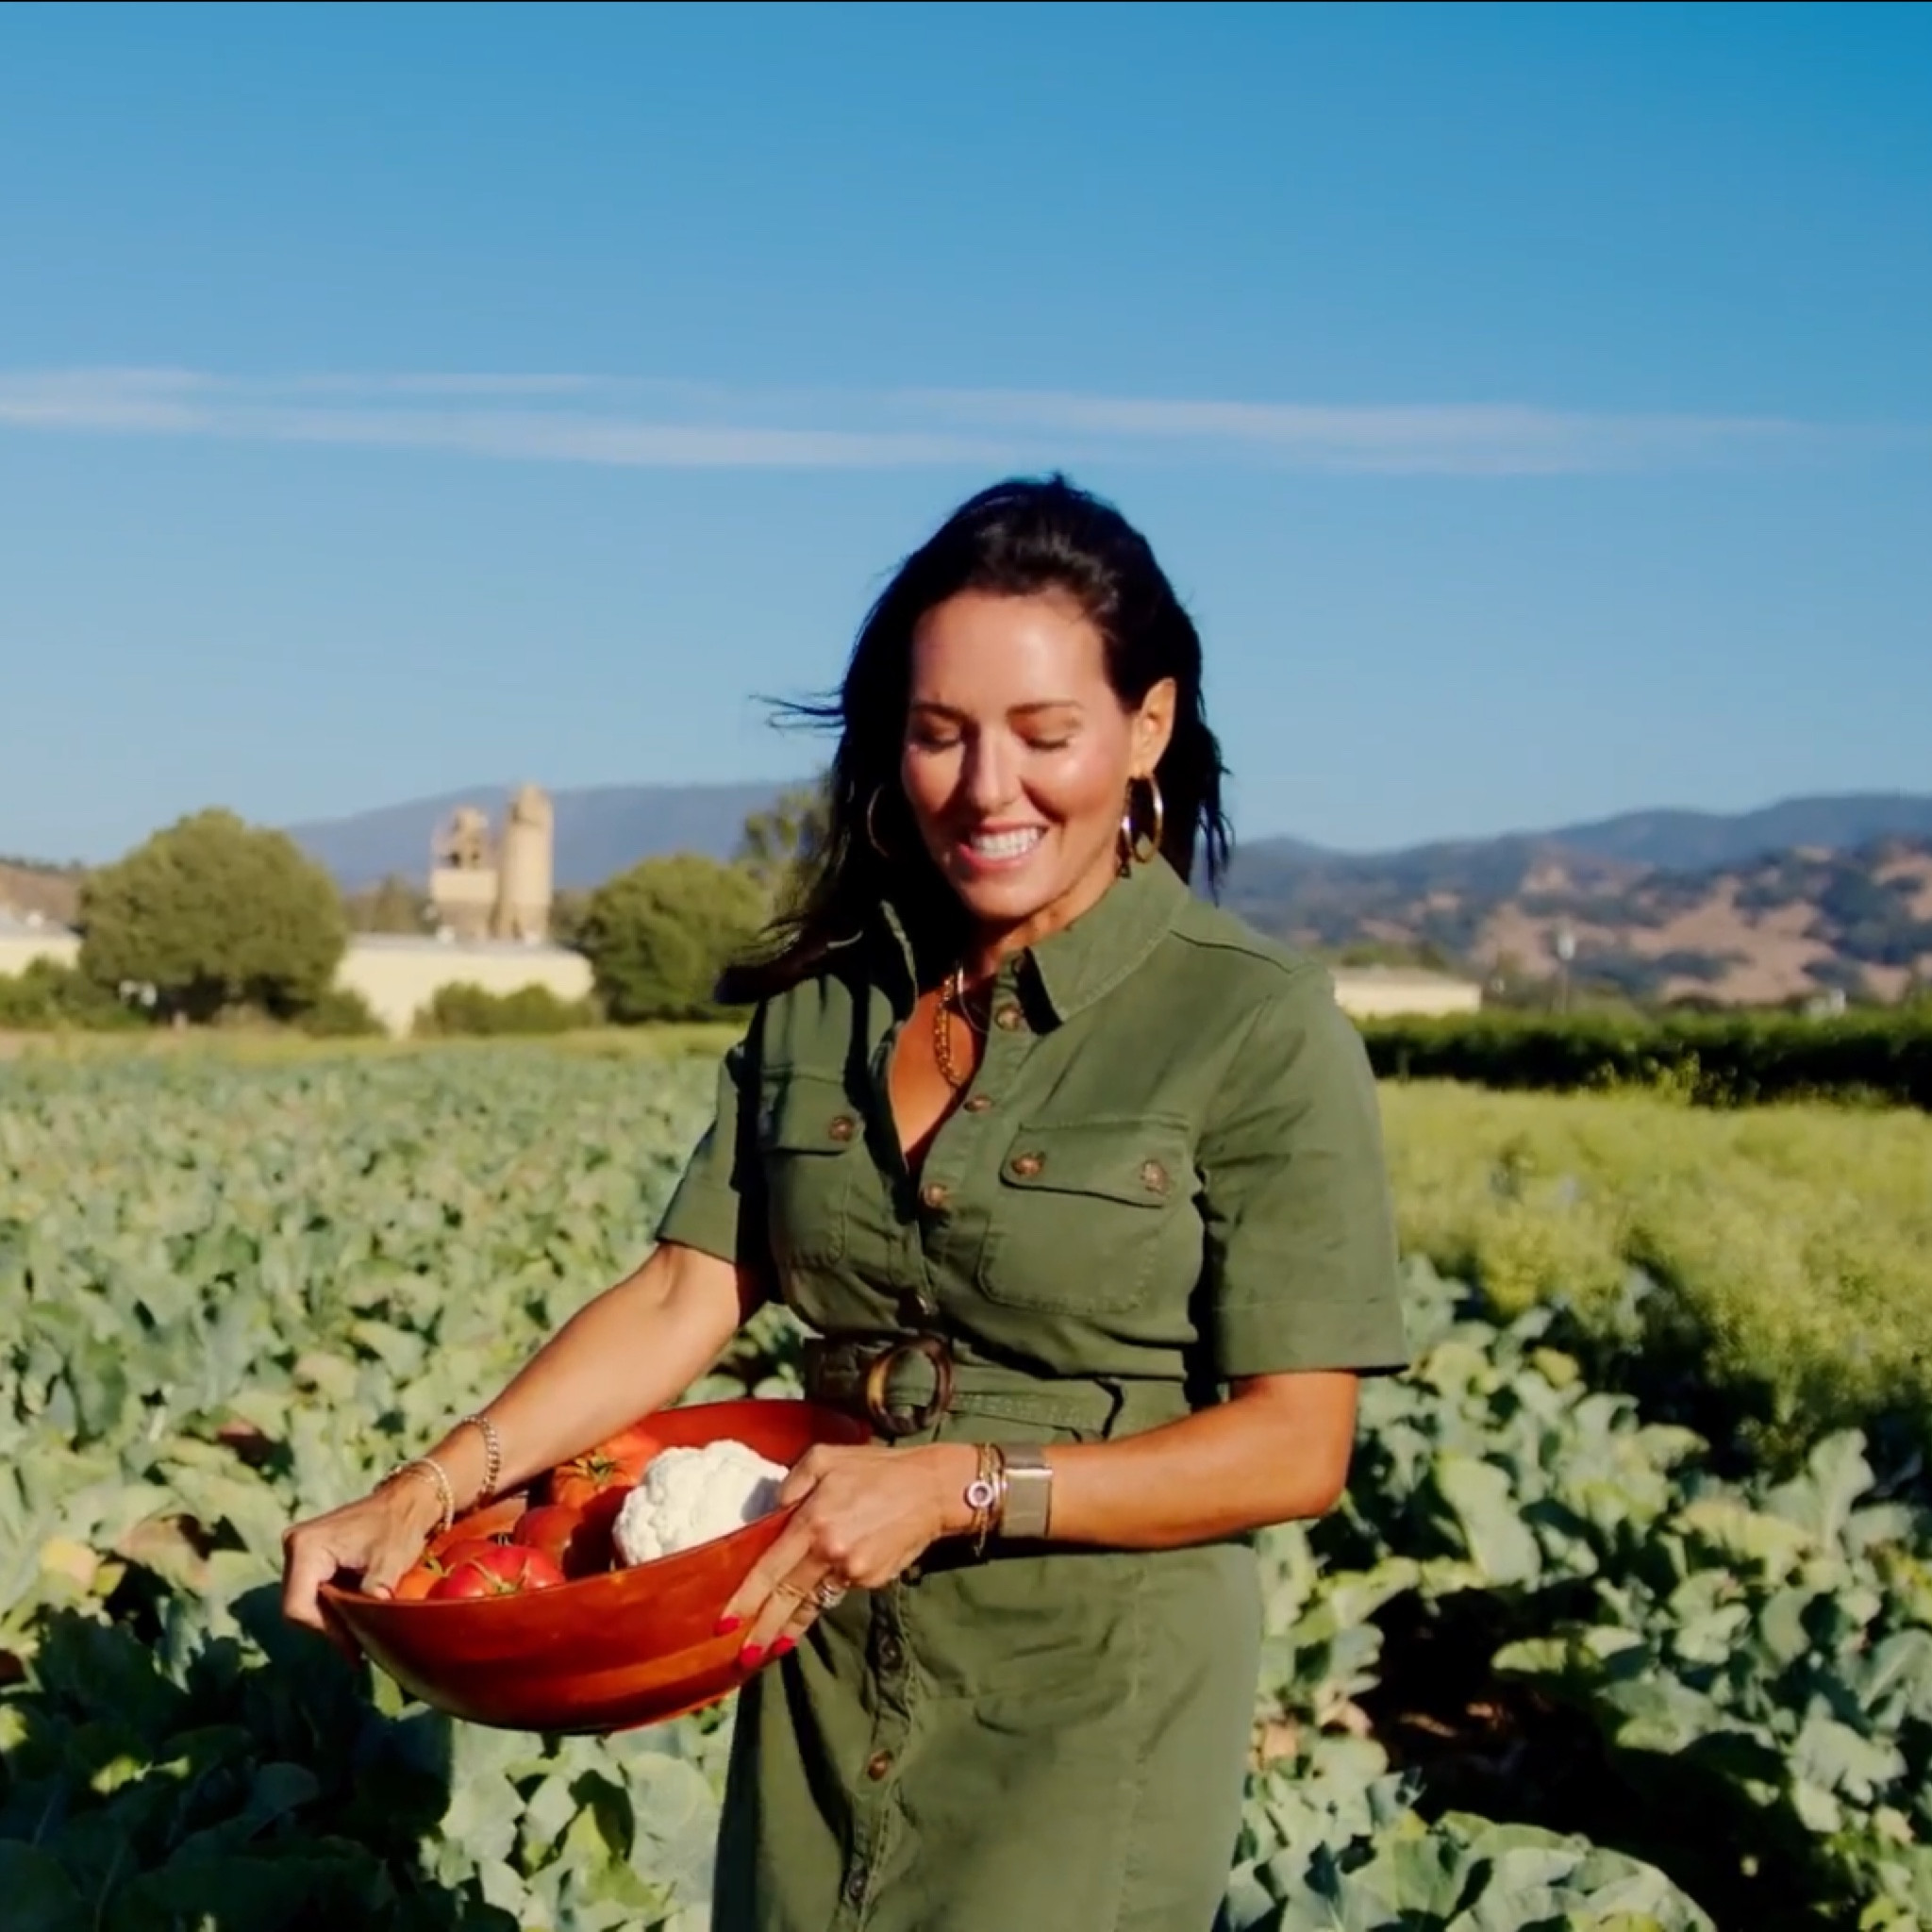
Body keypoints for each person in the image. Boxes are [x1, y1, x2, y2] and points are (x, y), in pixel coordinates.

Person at [281, 474, 1410, 1931]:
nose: (986, 788)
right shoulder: (828, 1005)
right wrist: (428, 1489)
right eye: (938, 735)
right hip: (813, 1659)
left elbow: (1296, 1448)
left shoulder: (1251, 1025)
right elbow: (688, 1292)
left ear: (1147, 730)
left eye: (1043, 734)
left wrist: (963, 1487)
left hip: (1086, 1711)